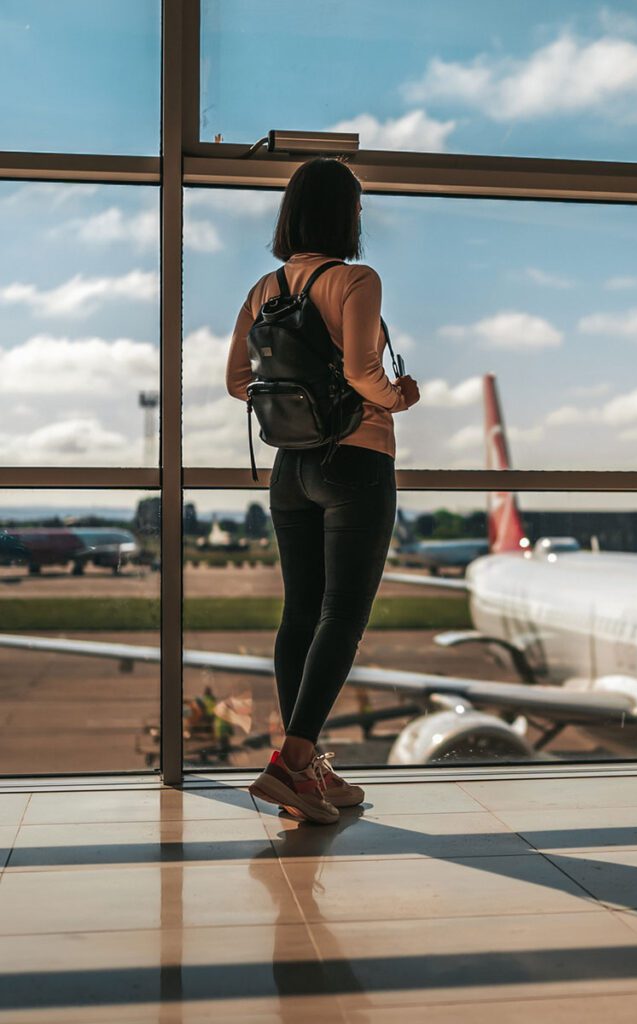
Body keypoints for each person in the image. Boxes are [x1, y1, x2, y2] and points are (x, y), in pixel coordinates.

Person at [225, 157, 420, 824]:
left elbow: (235, 380)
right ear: (346, 215)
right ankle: (291, 761)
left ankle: (304, 771)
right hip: (357, 461)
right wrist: (401, 396)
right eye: (358, 209)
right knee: (344, 613)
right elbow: (367, 375)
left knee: (300, 612)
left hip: (290, 470)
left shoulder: (264, 287)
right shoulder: (356, 279)